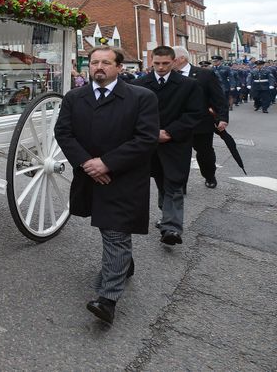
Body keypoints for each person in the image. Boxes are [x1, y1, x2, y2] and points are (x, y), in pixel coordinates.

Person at [54, 46, 159, 325]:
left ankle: (107, 300)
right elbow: (63, 132)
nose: (99, 67)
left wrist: (108, 163)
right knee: (110, 228)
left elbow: (145, 138)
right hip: (90, 175)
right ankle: (124, 263)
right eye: (94, 62)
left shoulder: (141, 97)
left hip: (124, 178)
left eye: (106, 63)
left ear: (119, 67)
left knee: (114, 231)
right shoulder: (75, 98)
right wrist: (89, 163)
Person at [134, 46, 204, 246]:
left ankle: (172, 228)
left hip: (176, 144)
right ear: (151, 61)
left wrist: (170, 132)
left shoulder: (189, 85)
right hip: (149, 143)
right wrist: (151, 132)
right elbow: (134, 113)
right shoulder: (140, 84)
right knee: (160, 181)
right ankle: (166, 215)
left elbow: (194, 113)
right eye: (157, 63)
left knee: (174, 184)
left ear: (174, 62)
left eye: (165, 63)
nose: (161, 67)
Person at [172, 46, 229, 189]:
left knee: (205, 153)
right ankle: (180, 184)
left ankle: (209, 175)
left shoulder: (205, 74)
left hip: (201, 123)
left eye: (171, 59)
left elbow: (218, 98)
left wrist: (222, 118)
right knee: (179, 155)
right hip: (176, 123)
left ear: (181, 59)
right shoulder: (168, 75)